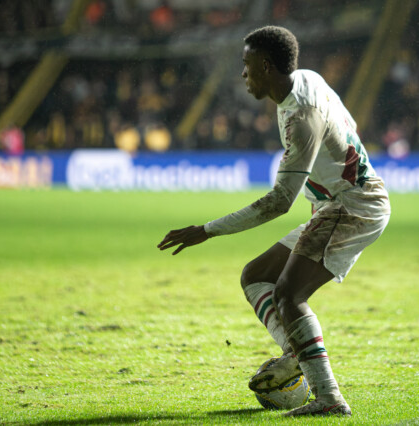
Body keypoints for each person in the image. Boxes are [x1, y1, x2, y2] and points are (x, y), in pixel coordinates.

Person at [157, 26, 391, 417]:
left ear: (266, 67)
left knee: (287, 295)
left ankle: (329, 398)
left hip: (351, 206)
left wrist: (206, 230)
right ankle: (295, 352)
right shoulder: (306, 79)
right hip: (341, 203)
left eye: (247, 66)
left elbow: (279, 203)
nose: (243, 74)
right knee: (255, 276)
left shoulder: (301, 118)